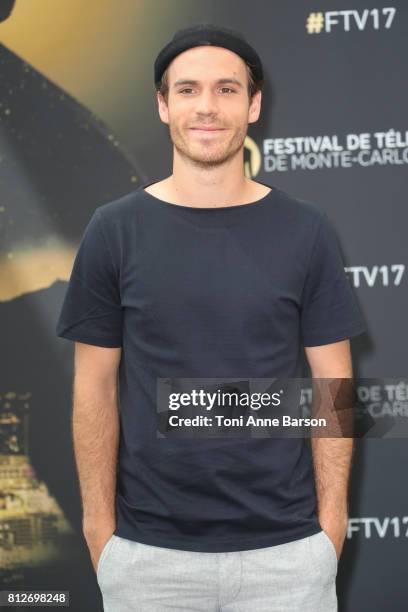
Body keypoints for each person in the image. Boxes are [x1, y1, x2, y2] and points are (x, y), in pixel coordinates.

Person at [55, 23, 367, 611]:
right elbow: (93, 388)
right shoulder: (113, 231)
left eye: (226, 90)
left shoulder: (307, 230)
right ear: (163, 104)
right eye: (188, 89)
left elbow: (335, 386)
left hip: (288, 557)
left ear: (253, 106)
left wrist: (330, 526)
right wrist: (100, 531)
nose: (206, 107)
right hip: (148, 561)